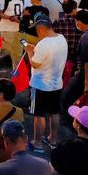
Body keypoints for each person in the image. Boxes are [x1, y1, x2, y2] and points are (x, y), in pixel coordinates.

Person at [25, 13, 68, 152]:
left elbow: (35, 64)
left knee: (39, 115)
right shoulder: (61, 39)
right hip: (56, 83)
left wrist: (29, 52)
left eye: (36, 28)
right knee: (54, 112)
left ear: (41, 27)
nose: (36, 31)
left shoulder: (43, 44)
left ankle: (37, 143)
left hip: (40, 85)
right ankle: (52, 138)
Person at [0, 0, 26, 67]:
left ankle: (15, 75)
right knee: (4, 53)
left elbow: (21, 11)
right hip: (7, 30)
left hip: (19, 31)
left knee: (18, 55)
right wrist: (10, 18)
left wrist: (22, 18)